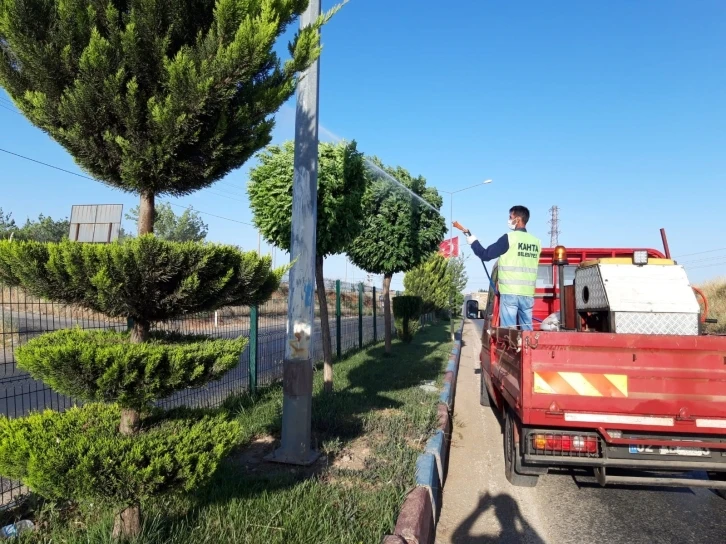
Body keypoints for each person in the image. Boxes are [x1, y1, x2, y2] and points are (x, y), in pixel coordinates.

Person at [462, 205, 542, 331]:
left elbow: (486, 255)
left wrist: (473, 242)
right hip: (528, 294)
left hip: (510, 292)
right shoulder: (536, 242)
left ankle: (512, 350)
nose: (509, 220)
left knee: (509, 331)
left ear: (518, 219)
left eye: (511, 217)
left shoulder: (509, 238)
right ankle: (527, 350)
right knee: (527, 332)